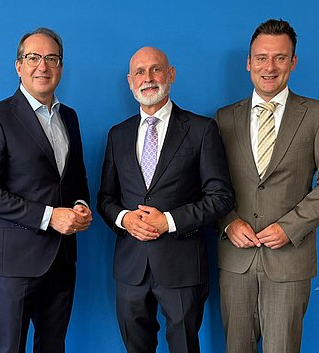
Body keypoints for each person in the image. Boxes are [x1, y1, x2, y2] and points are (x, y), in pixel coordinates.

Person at [216, 19, 319, 353]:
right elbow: (210, 185)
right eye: (261, 58)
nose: (269, 67)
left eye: (279, 58)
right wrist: (229, 222)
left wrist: (289, 228)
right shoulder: (224, 118)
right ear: (249, 63)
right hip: (236, 260)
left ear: (293, 62)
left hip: (289, 260)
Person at [97, 46, 234, 353]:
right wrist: (124, 219)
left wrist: (169, 221)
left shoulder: (201, 130)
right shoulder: (117, 135)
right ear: (130, 82)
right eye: (139, 72)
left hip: (182, 267)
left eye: (155, 69)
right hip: (131, 269)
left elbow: (221, 197)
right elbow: (106, 197)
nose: (148, 78)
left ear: (170, 74)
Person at [0, 27, 92, 353]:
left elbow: (75, 177)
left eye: (52, 58)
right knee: (7, 348)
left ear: (61, 67)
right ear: (18, 66)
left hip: (62, 258)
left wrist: (80, 205)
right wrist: (49, 216)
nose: (43, 66)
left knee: (53, 347)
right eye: (34, 57)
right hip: (14, 261)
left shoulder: (69, 117)